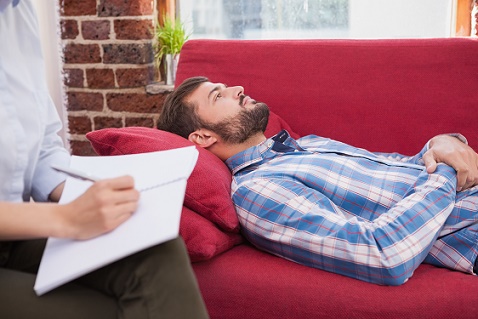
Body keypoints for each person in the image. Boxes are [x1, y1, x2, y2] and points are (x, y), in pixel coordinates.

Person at [157, 76, 478, 286]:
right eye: (218, 95)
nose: (237, 88)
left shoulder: (307, 144)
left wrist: (443, 142)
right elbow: (384, 253)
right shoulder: (257, 191)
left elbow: (406, 167)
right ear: (203, 136)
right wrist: (449, 166)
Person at [0, 1, 209, 318]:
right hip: (27, 224)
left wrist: (96, 194)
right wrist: (67, 219)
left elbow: (43, 148)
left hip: (15, 236)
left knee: (155, 248)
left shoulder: (16, 12)